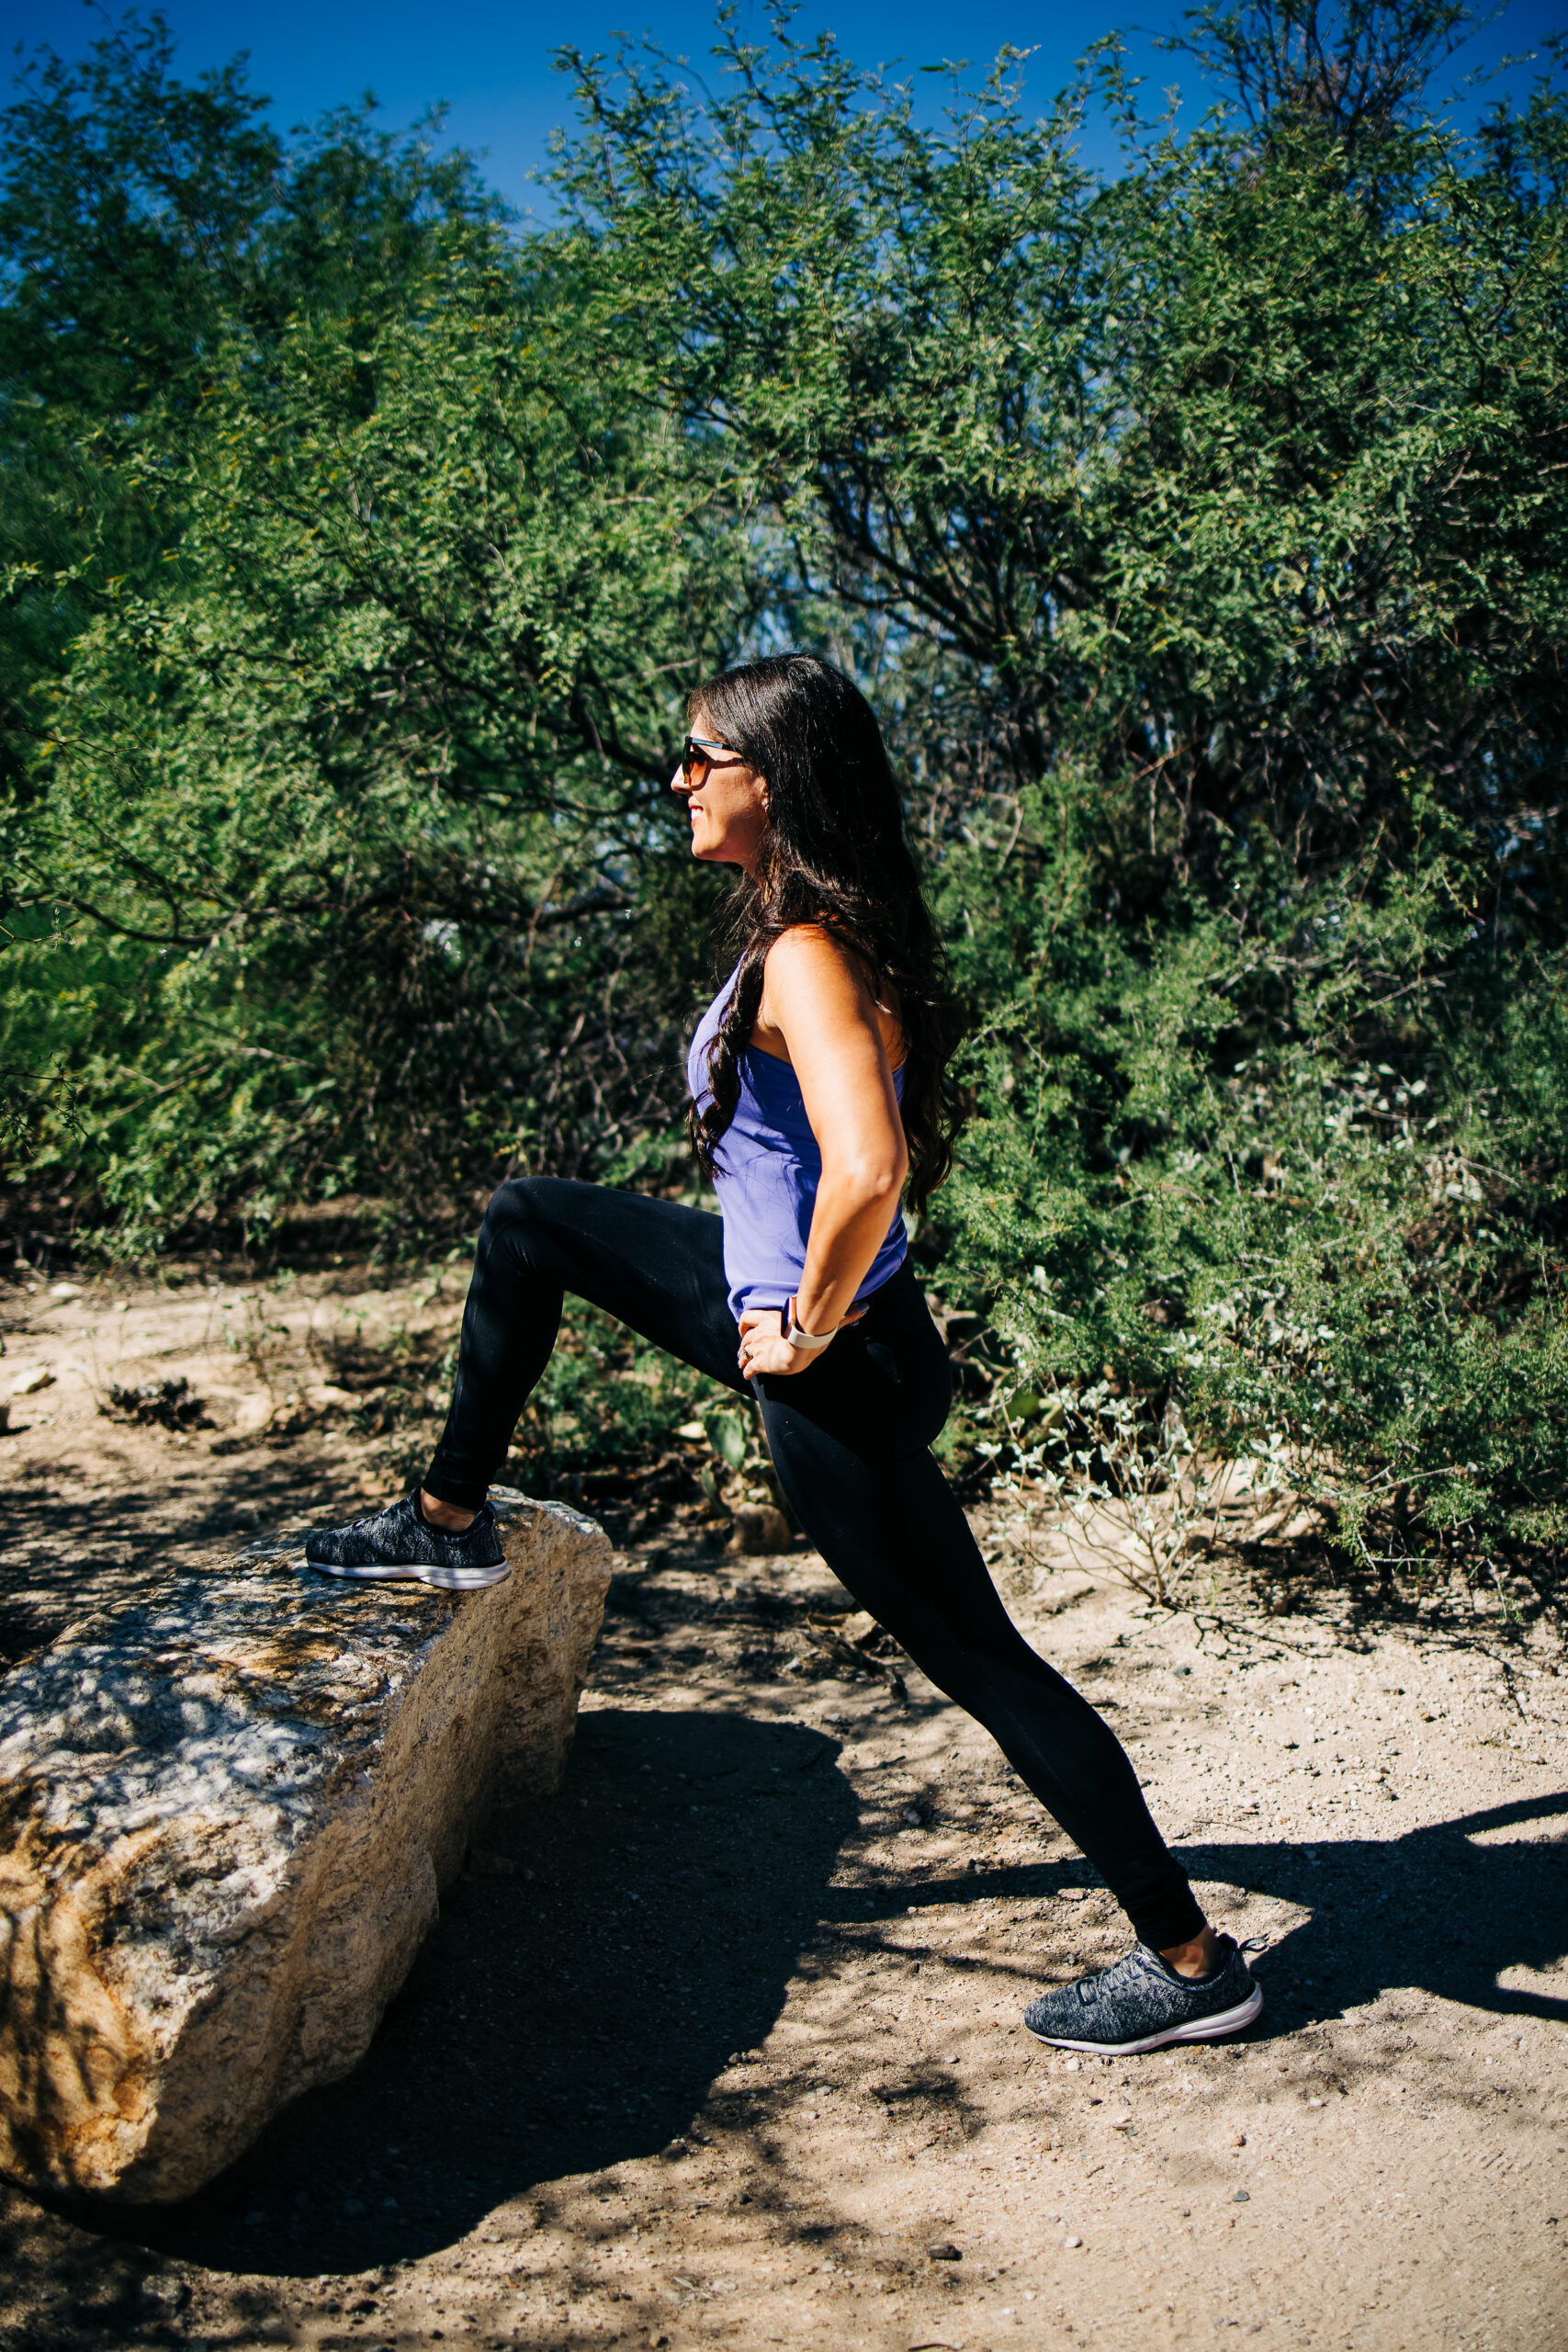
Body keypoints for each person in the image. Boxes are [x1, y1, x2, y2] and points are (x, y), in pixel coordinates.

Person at [304, 652, 1262, 2058]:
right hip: (843, 1320)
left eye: (702, 758)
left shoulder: (810, 953)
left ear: (775, 780)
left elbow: (867, 1166)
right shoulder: (818, 932)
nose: (678, 781)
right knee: (531, 1225)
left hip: (833, 1364)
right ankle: (447, 1521)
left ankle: (1191, 1963)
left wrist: (800, 1330)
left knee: (989, 1665)